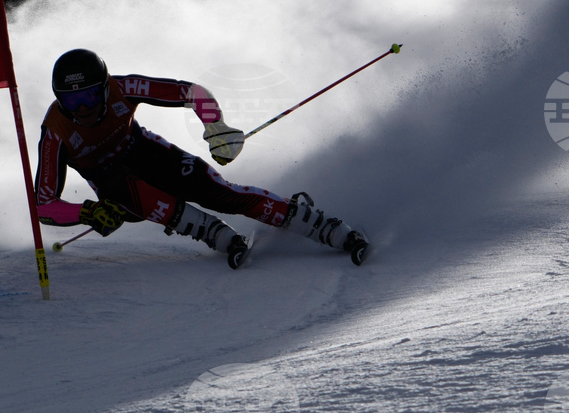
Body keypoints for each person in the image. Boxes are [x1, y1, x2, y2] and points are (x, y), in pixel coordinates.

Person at [34, 49, 369, 268]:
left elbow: (191, 92)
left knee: (221, 193)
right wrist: (87, 212)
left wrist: (216, 127)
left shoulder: (125, 87)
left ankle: (313, 221)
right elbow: (44, 205)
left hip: (148, 154)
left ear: (105, 89)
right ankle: (207, 230)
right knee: (117, 182)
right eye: (70, 99)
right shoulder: (56, 131)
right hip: (118, 195)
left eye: (90, 95)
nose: (83, 109)